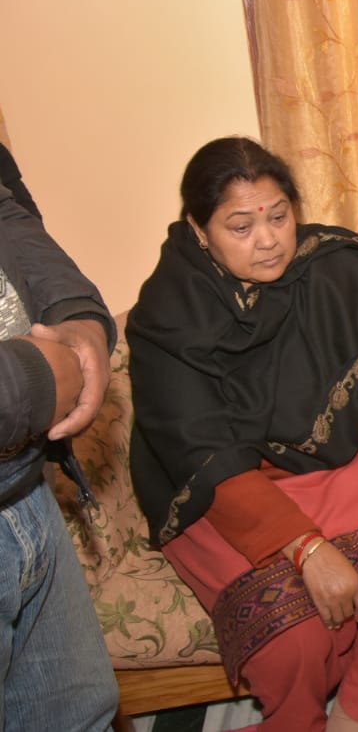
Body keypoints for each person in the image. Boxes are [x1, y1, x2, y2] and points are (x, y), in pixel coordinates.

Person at [127, 137, 358, 732]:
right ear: (198, 229)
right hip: (222, 487)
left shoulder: (332, 267)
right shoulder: (169, 315)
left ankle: (357, 719)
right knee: (289, 635)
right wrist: (308, 549)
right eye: (239, 226)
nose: (267, 239)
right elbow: (201, 452)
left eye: (278, 216)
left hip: (332, 460)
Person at [0, 150, 118, 731]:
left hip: (24, 481)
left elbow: (8, 213)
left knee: (80, 713)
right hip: (22, 419)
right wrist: (35, 379)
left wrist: (75, 315)